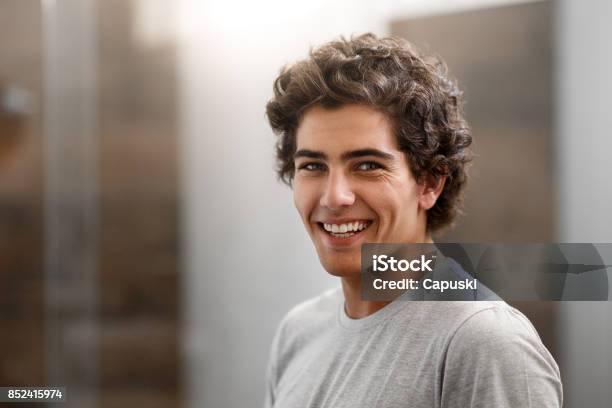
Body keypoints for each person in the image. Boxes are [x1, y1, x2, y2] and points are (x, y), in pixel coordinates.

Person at [263, 33, 562, 408]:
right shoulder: (299, 331)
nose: (334, 196)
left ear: (430, 182)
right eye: (312, 166)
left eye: (367, 165)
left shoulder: (483, 342)